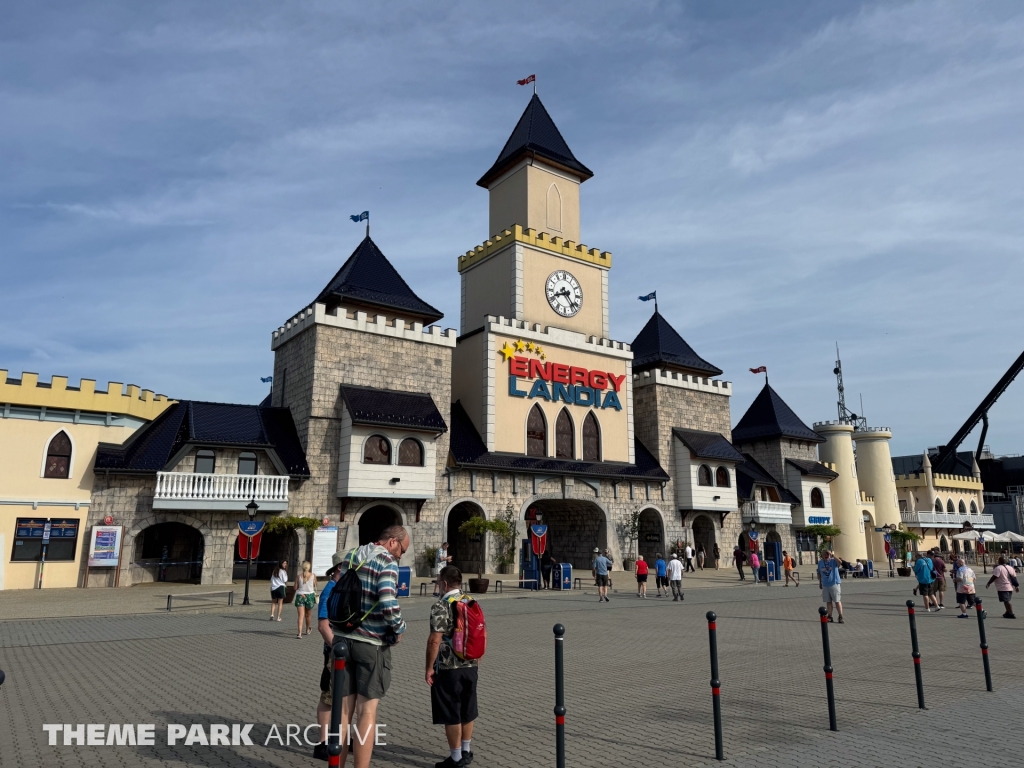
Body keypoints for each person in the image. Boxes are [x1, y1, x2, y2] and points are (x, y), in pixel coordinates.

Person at [320, 525, 409, 768]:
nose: (400, 556)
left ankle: (337, 763)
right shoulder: (387, 562)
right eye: (401, 550)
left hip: (342, 638)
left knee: (343, 710)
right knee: (367, 712)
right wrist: (400, 628)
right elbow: (388, 601)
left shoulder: (352, 555)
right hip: (371, 642)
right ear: (392, 542)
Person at [426, 565, 479, 768]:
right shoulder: (470, 601)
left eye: (439, 582)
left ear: (445, 583)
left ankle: (456, 758)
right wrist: (477, 657)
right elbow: (481, 632)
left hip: (449, 667)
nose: (439, 586)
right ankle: (466, 750)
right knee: (468, 710)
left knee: (452, 712)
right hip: (471, 663)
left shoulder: (441, 605)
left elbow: (434, 640)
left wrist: (429, 667)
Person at [313, 554, 345, 760]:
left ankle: (341, 737)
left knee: (344, 697)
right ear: (336, 569)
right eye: (346, 569)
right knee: (329, 696)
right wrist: (338, 649)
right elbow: (323, 626)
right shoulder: (329, 590)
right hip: (335, 653)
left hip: (347, 651)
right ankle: (323, 743)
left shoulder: (344, 589)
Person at [817, 550, 844, 623]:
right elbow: (819, 573)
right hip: (825, 584)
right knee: (828, 601)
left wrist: (832, 555)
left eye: (828, 554)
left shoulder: (833, 561)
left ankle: (840, 616)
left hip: (834, 583)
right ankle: (830, 616)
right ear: (822, 556)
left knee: (837, 601)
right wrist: (820, 583)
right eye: (824, 554)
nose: (826, 556)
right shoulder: (820, 563)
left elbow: (840, 562)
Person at [294, 560, 317, 638]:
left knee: (301, 616)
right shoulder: (313, 575)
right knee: (308, 615)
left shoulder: (298, 576)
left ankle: (299, 633)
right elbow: (315, 585)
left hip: (300, 596)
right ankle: (307, 630)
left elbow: (295, 588)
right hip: (310, 596)